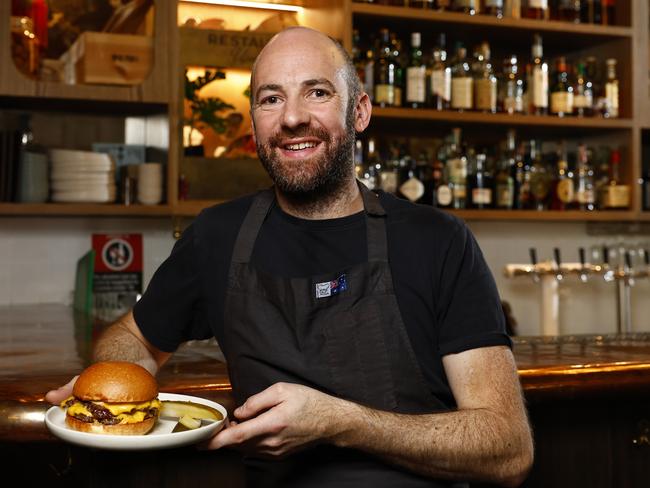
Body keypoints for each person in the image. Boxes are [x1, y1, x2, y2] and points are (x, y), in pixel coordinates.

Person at [46, 26, 533, 487]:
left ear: (359, 112)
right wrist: (112, 391)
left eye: (317, 92)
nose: (293, 117)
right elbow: (132, 336)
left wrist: (342, 423)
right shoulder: (217, 235)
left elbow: (509, 450)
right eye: (271, 98)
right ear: (253, 121)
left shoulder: (438, 241)